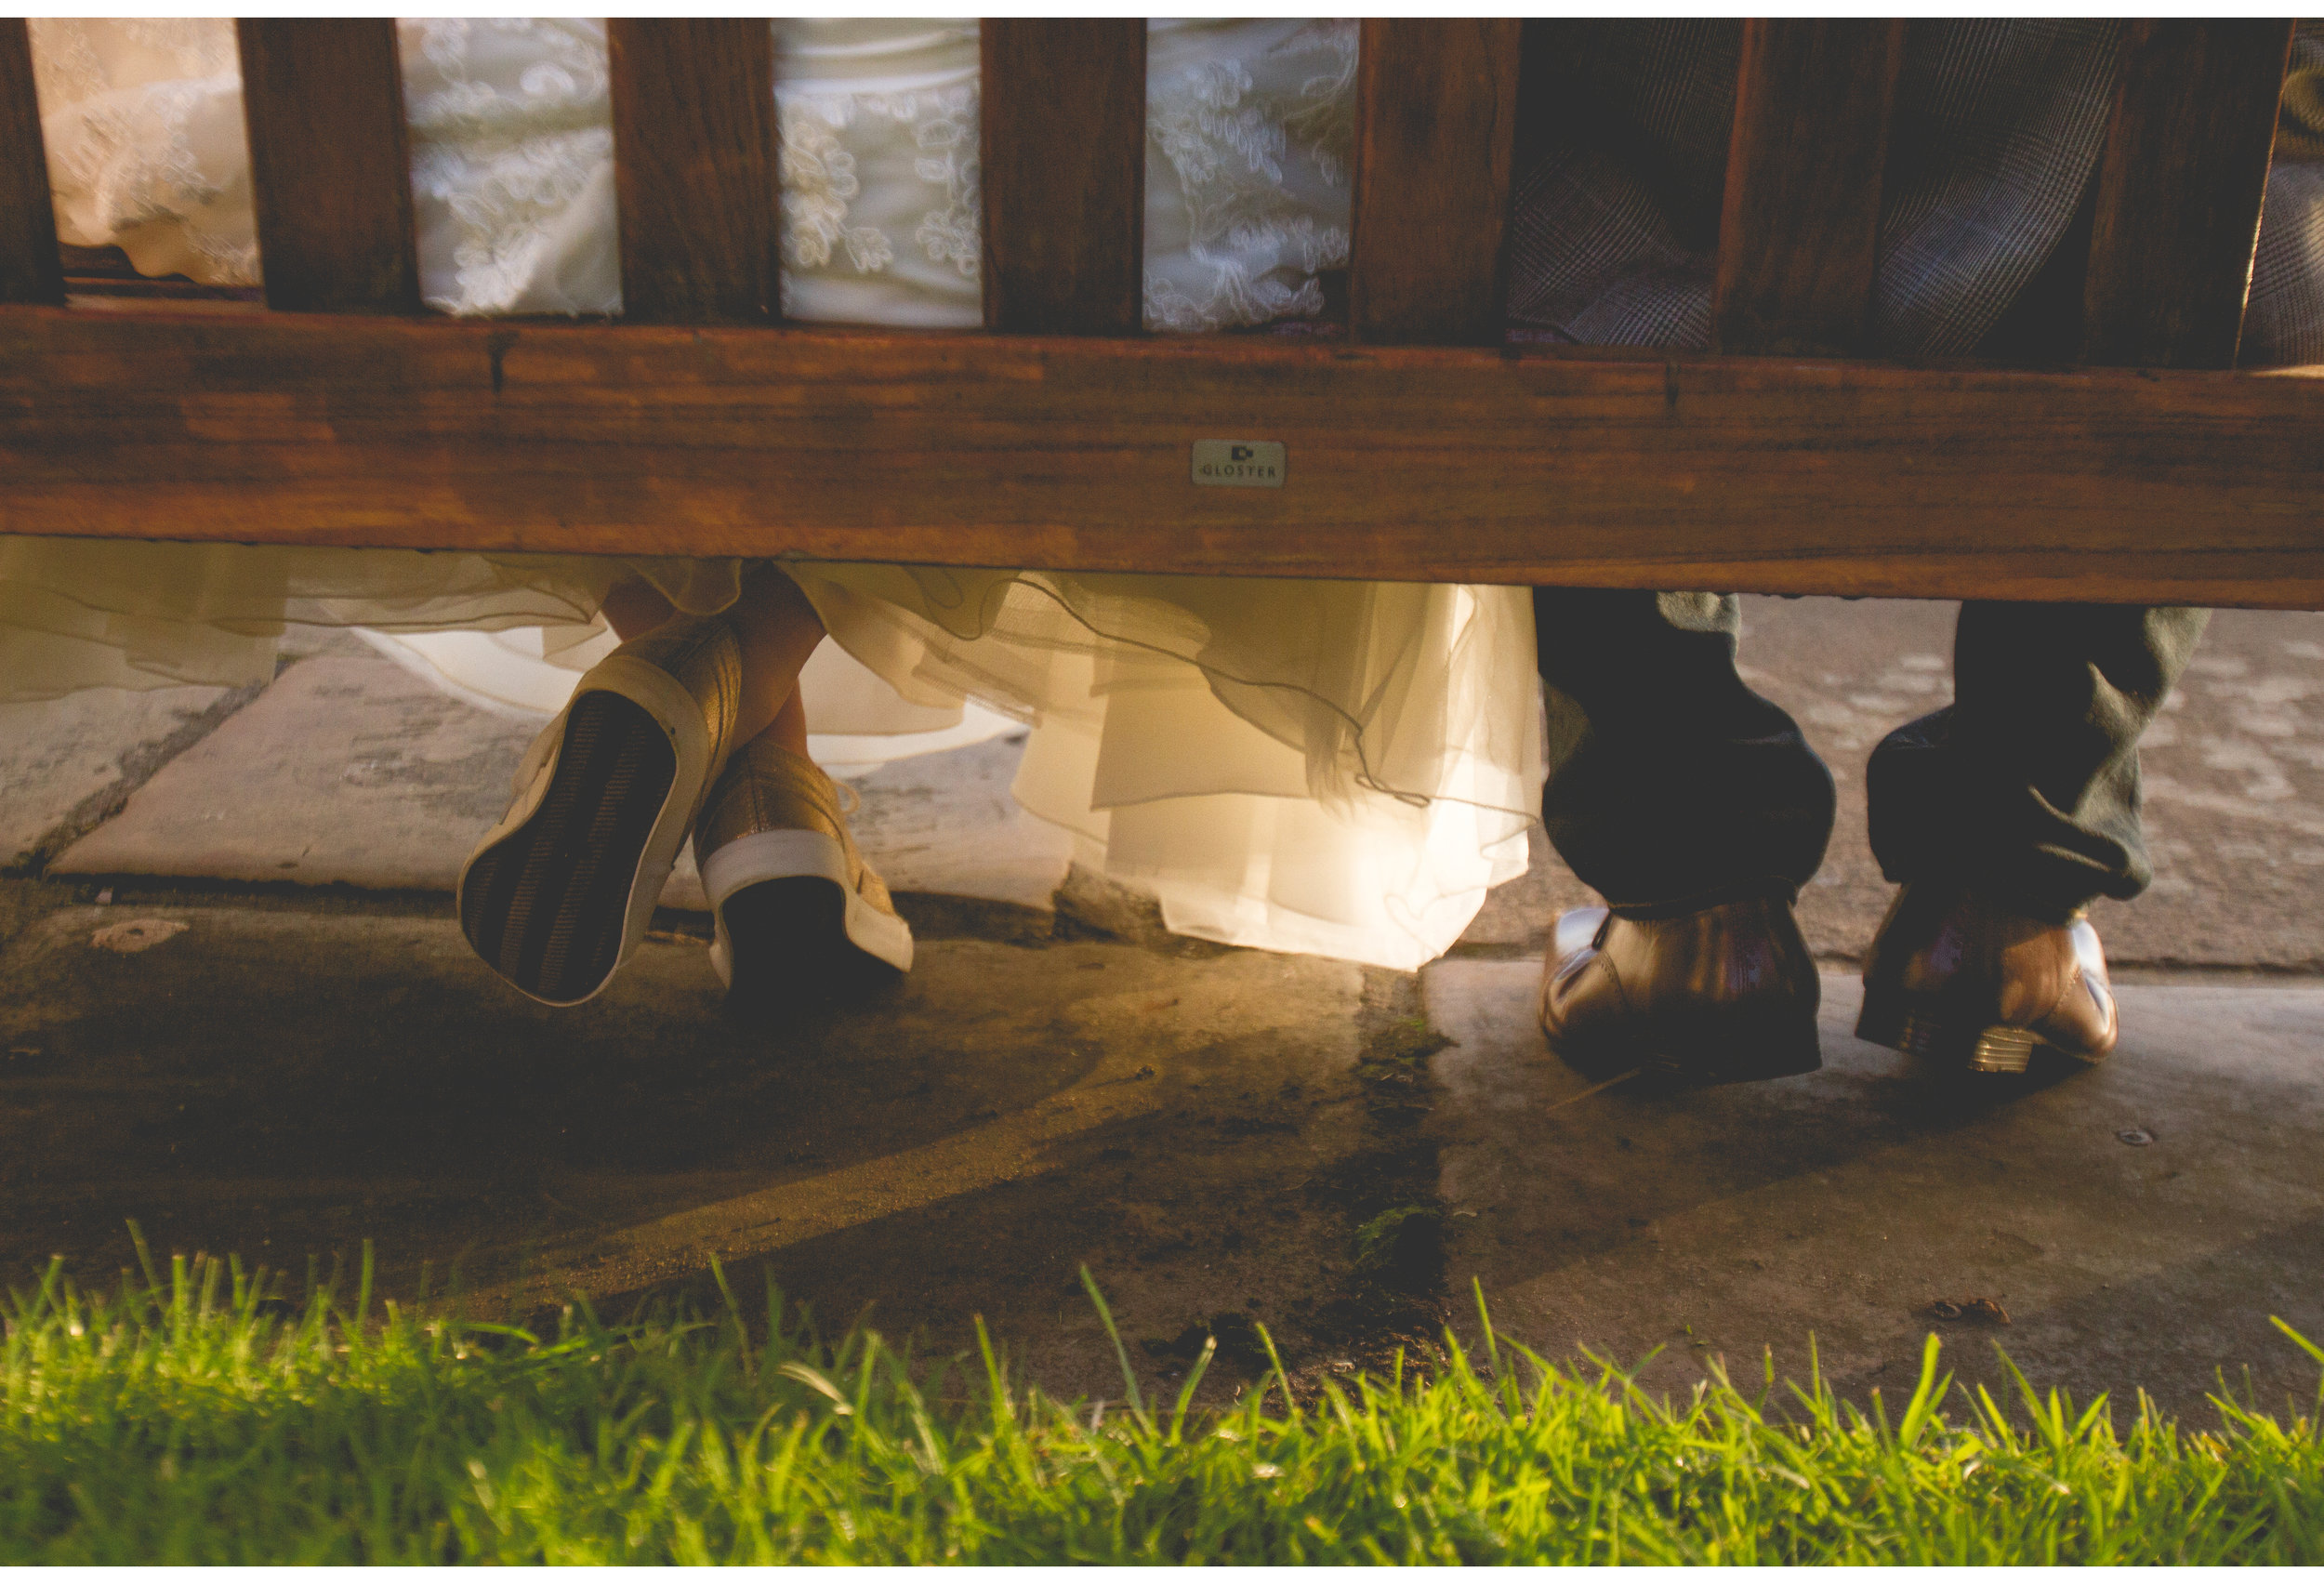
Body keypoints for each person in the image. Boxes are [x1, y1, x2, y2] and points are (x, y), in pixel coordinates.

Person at [16, 18, 1542, 1006]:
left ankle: (737, 742)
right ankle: (733, 684)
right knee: (958, 222)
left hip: (428, 139)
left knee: (571, 231)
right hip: (1070, 155)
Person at [1517, 20, 2324, 1084]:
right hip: (2112, 229)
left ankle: (1691, 911)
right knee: (2190, 202)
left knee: (1545, 144)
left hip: (1664, 208)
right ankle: (2002, 917)